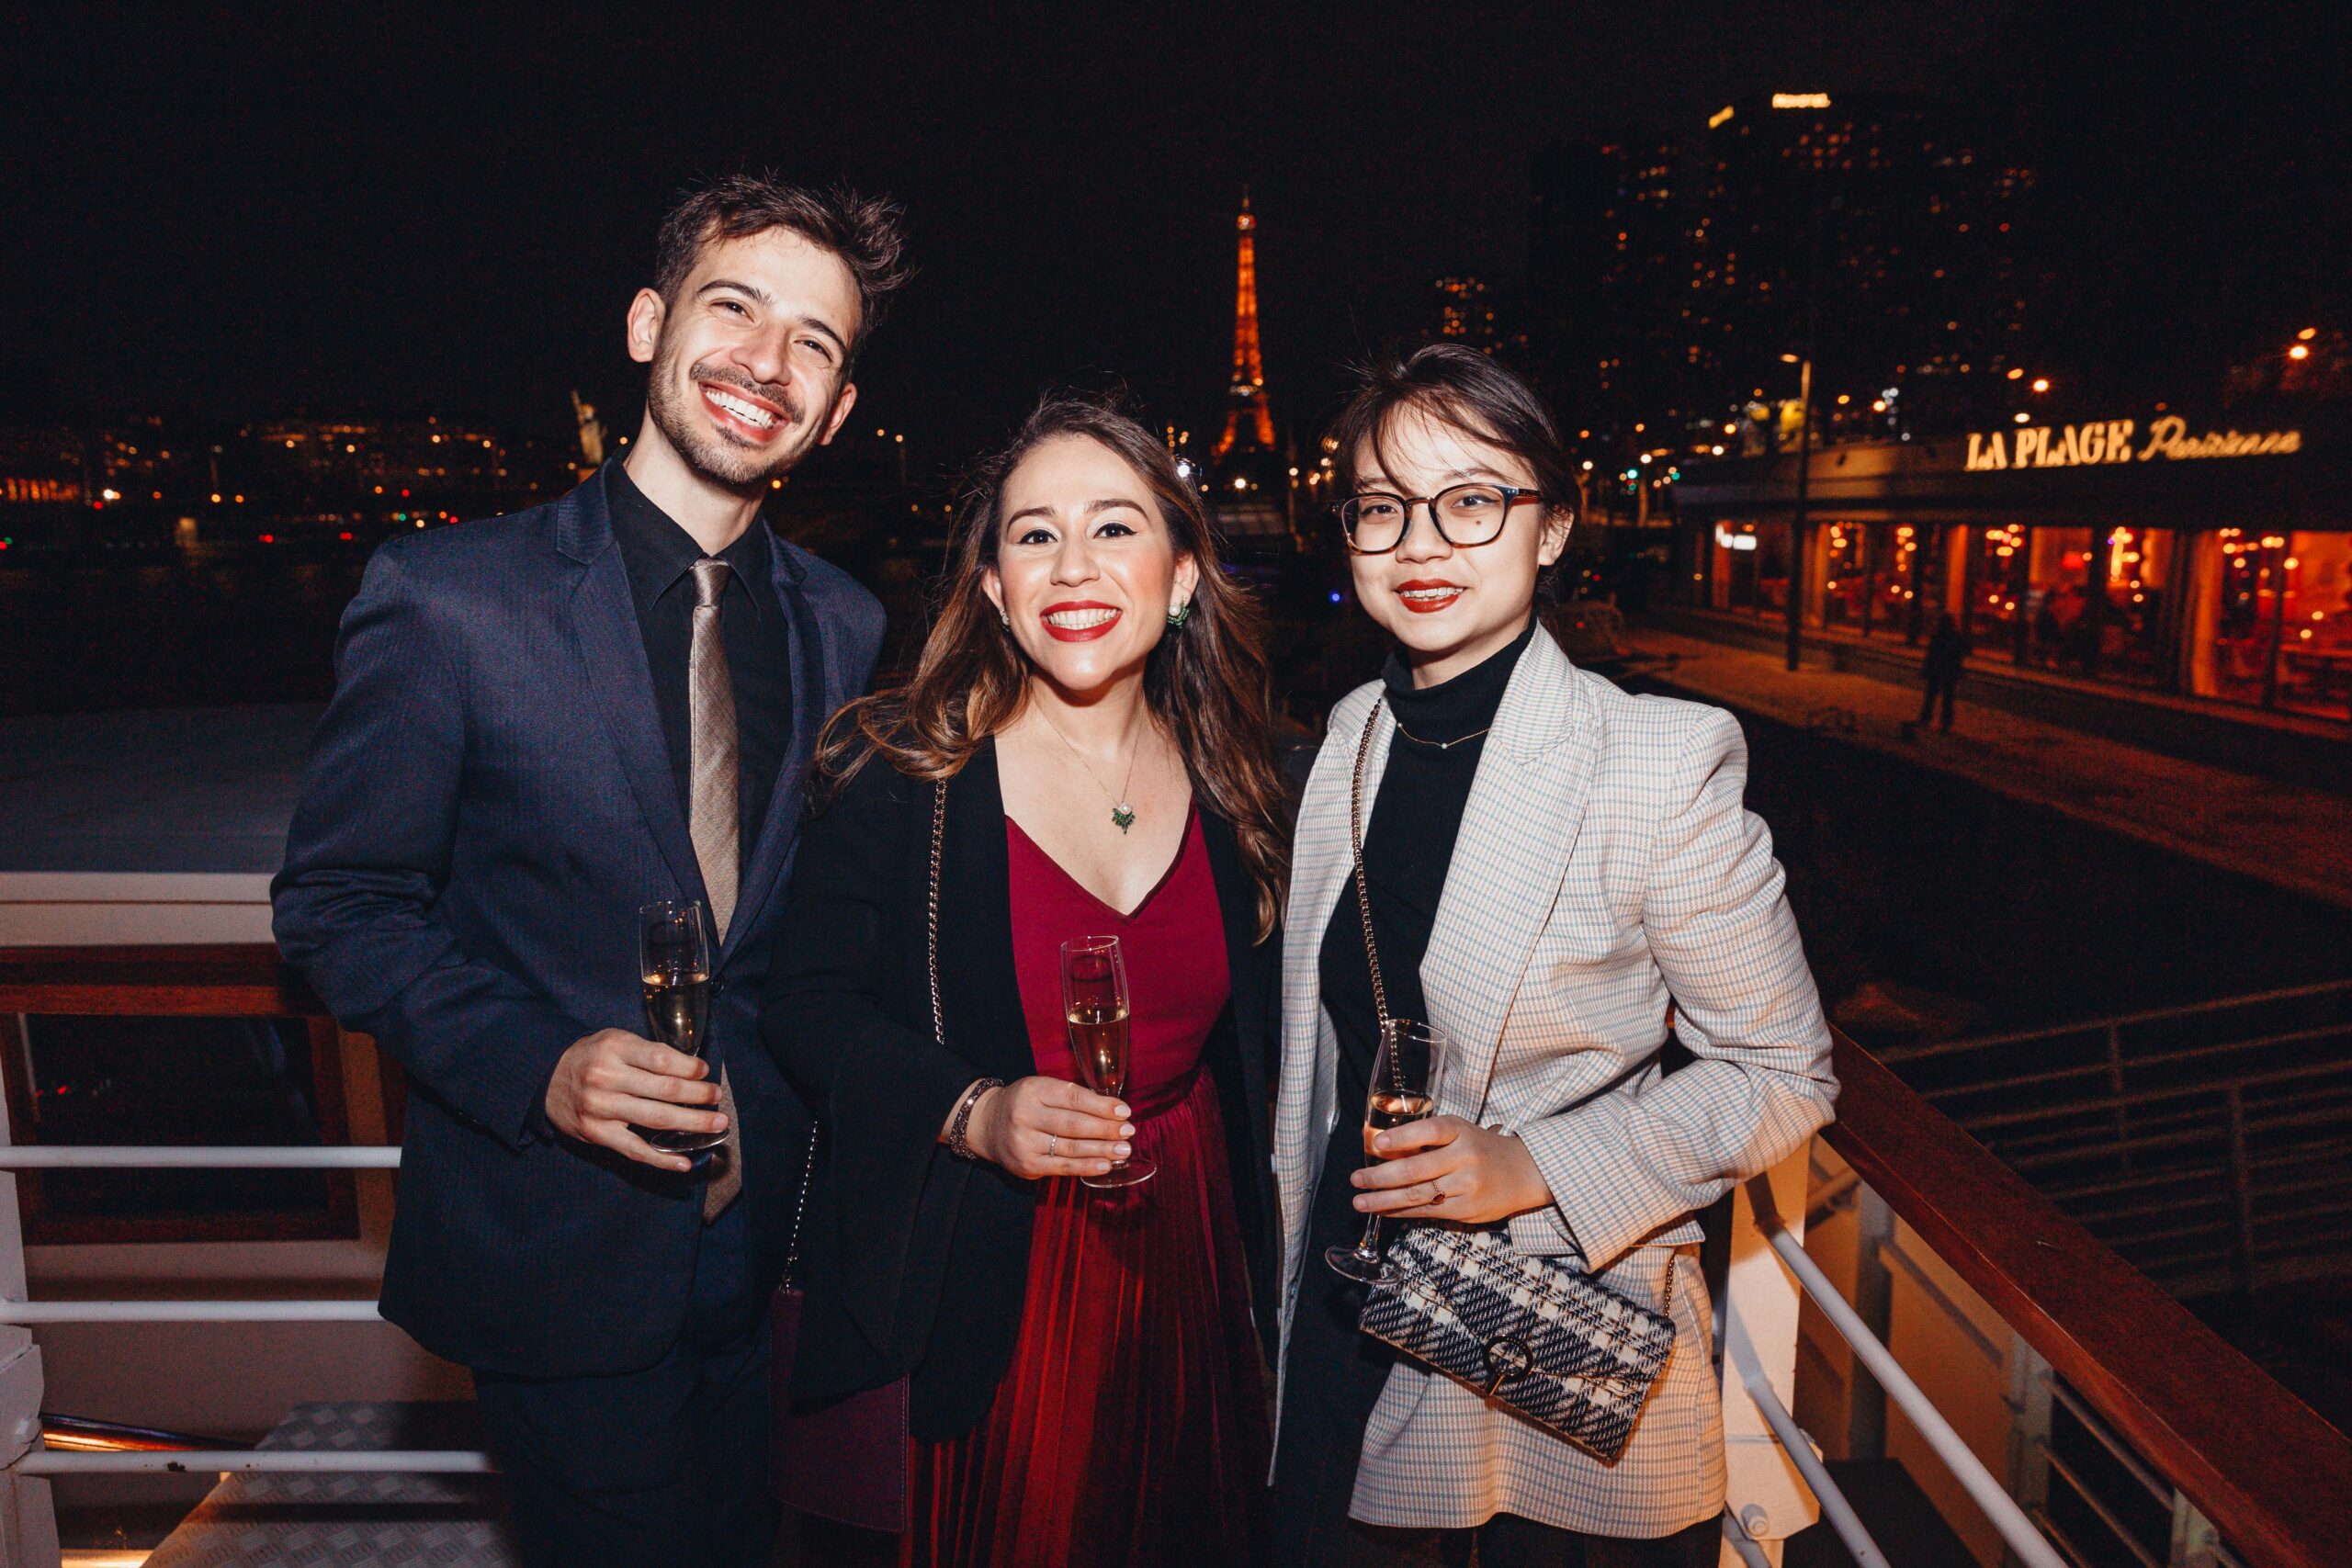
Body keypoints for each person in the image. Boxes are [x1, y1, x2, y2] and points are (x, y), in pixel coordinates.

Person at [271, 174, 907, 1567]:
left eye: (814, 342)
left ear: (839, 408)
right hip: (558, 1249)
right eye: (733, 308)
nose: (767, 361)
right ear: (645, 325)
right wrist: (539, 1065)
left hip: (774, 1248)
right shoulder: (450, 598)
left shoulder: (846, 625)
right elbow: (338, 908)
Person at [1269, 343, 1838, 1566]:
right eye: (1383, 507)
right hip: (1339, 1293)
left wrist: (1533, 1164)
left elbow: (1783, 1072)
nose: (1421, 544)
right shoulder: (1351, 734)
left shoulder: (1653, 762)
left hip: (1530, 1321)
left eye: (1471, 501)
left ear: (1554, 528)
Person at [764, 396, 1287, 1568]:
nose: (1073, 565)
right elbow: (801, 1005)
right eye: (1035, 534)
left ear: (1183, 575)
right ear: (996, 589)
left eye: (1114, 527)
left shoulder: (1240, 777)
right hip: (989, 1268)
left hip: (1187, 1251)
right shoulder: (901, 769)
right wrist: (972, 1111)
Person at [1922, 612, 1970, 732]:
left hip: (1937, 669)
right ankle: (1945, 724)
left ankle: (1926, 718)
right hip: (1950, 670)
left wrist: (1926, 669)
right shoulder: (1956, 637)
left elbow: (1931, 655)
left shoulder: (1938, 636)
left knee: (1931, 696)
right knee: (1947, 698)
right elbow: (1966, 650)